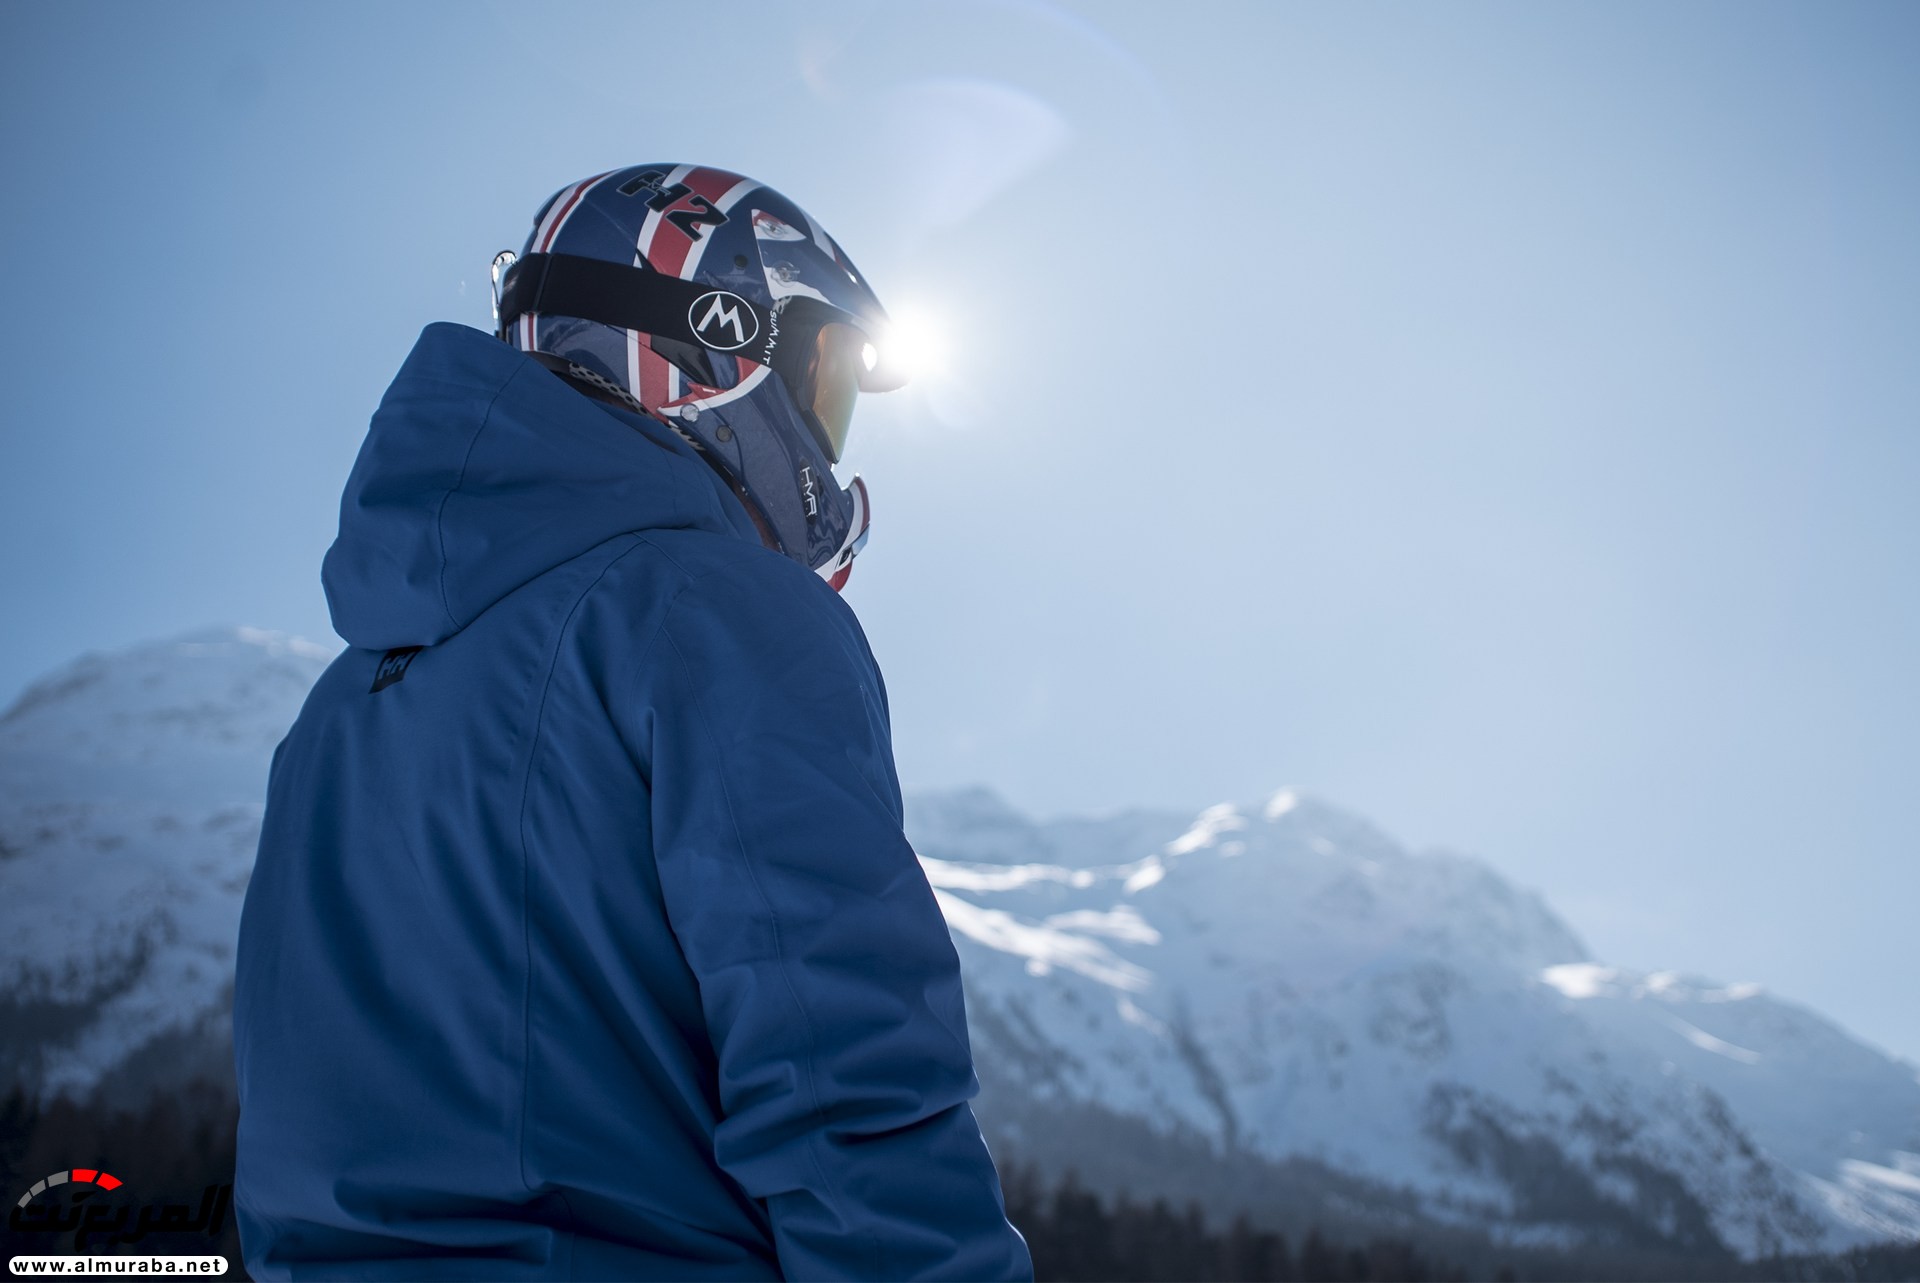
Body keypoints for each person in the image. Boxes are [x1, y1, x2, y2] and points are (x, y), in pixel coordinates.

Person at [232, 164, 1033, 1282]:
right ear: (714, 344)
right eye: (825, 380)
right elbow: (845, 1072)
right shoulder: (719, 610)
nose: (828, 441)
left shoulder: (339, 708)